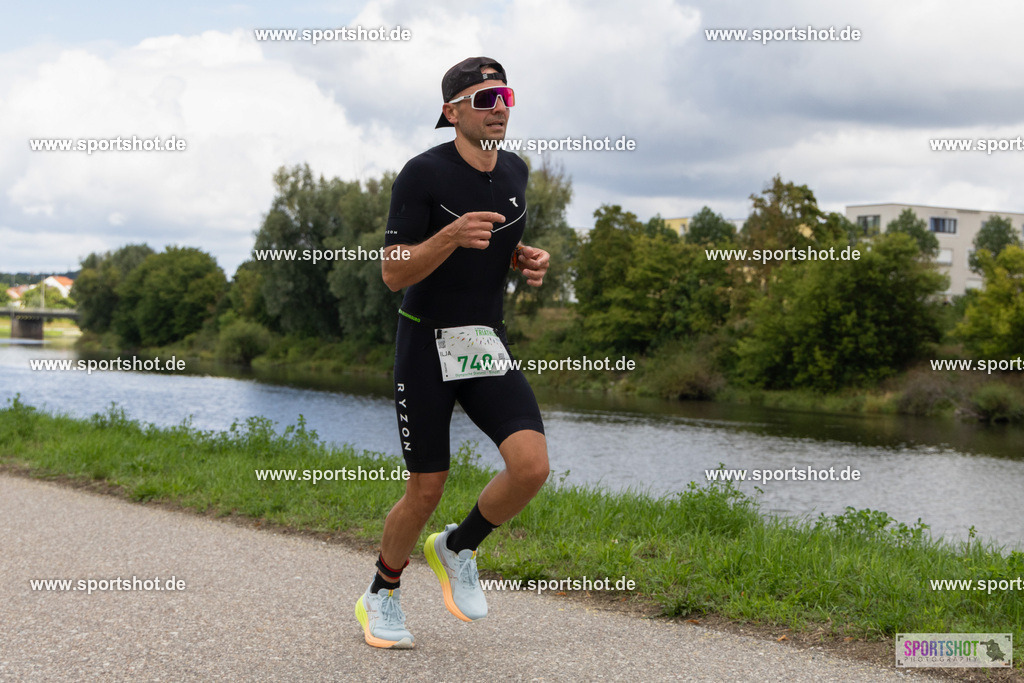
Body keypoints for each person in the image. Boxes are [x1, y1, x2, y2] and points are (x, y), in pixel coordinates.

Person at [354, 57, 551, 649]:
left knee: (531, 466)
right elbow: (392, 272)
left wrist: (524, 257)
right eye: (485, 97)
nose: (499, 108)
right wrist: (448, 234)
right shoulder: (422, 174)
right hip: (425, 338)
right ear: (452, 111)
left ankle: (458, 546)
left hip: (481, 339)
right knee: (426, 487)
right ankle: (381, 594)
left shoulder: (515, 170)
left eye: (505, 95)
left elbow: (495, 244)